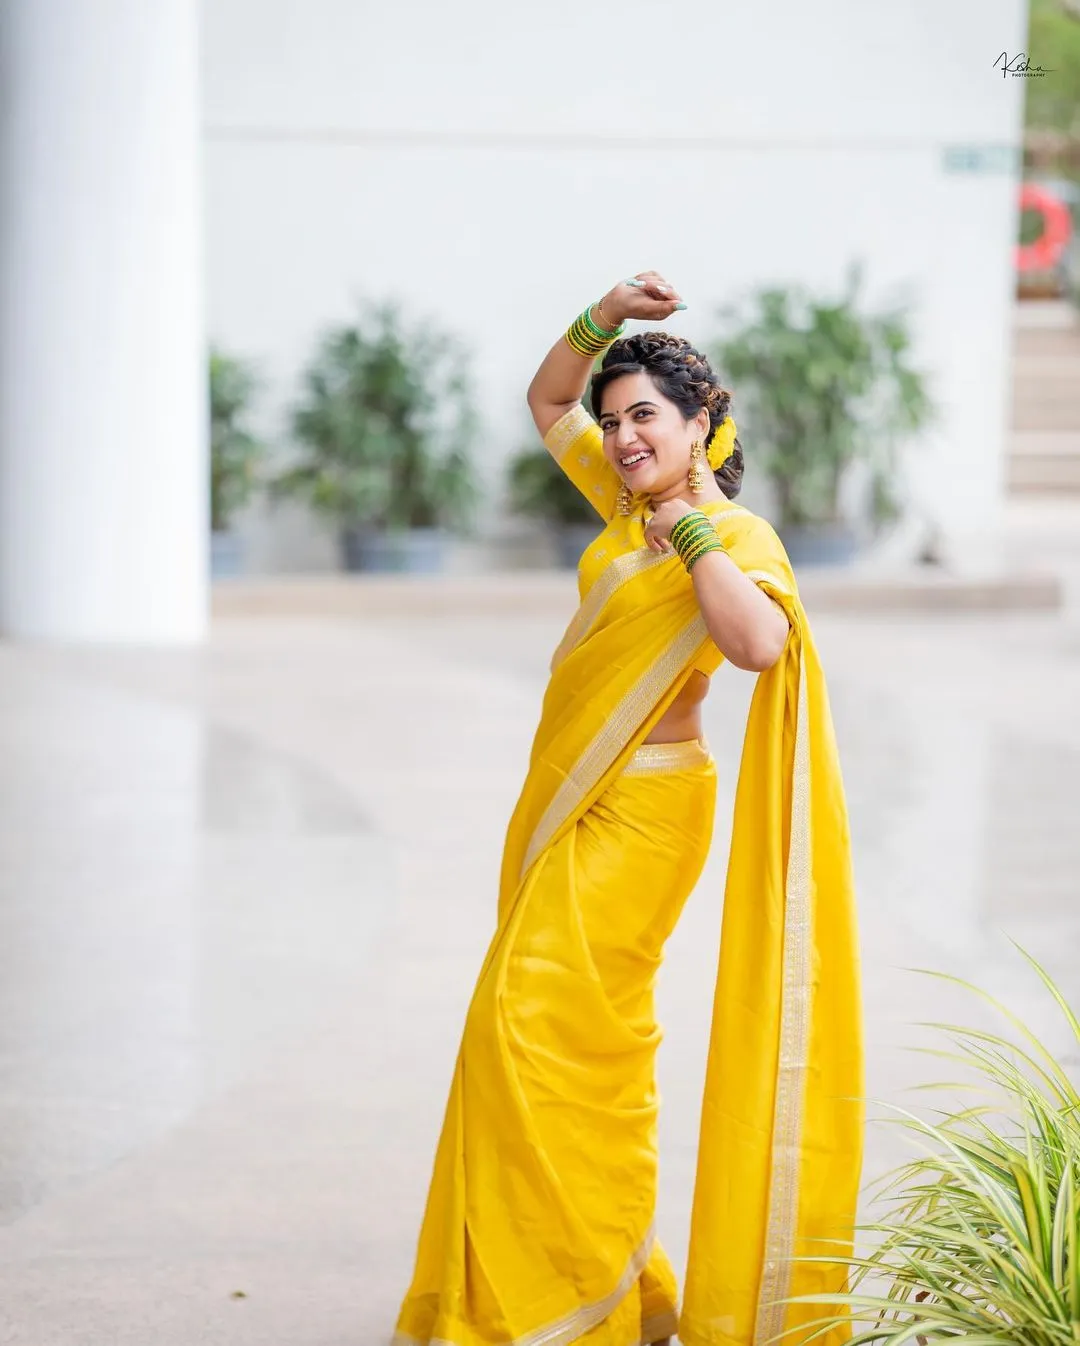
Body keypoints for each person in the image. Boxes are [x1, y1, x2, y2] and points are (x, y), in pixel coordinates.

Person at [393, 272, 864, 1346]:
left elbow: (759, 646)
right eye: (615, 423)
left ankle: (573, 1295)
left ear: (704, 423)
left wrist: (691, 530)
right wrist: (604, 314)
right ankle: (600, 1282)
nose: (618, 436)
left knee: (541, 1030)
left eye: (644, 415)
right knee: (548, 1040)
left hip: (650, 811)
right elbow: (546, 400)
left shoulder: (734, 535)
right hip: (580, 805)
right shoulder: (619, 499)